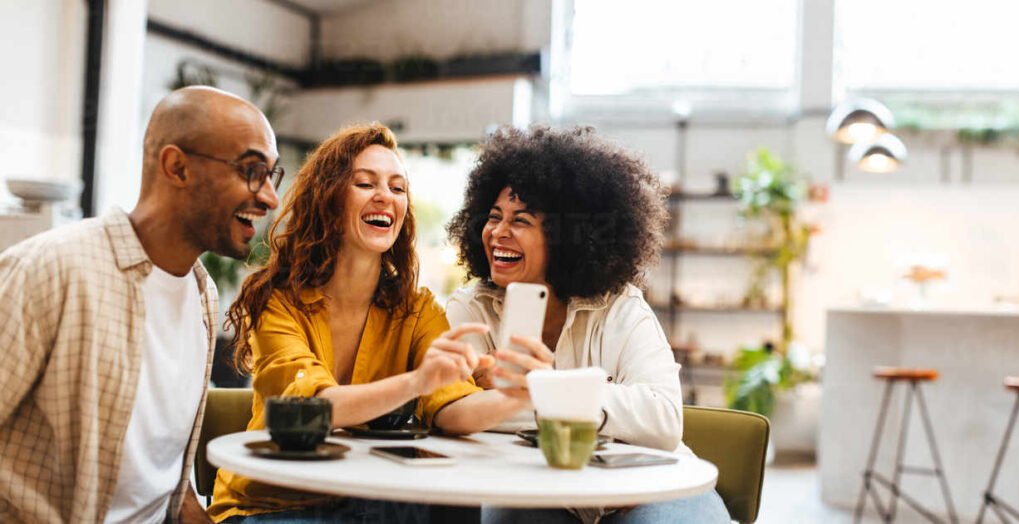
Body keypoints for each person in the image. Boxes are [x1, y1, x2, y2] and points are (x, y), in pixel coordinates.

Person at [209, 123, 527, 523]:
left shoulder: (417, 309)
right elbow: (312, 407)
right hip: (275, 504)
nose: (385, 197)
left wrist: (519, 395)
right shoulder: (279, 301)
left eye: (397, 188)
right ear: (328, 200)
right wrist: (417, 381)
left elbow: (453, 409)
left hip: (370, 501)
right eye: (365, 183)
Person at [0, 86, 282, 523]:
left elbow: (169, 488)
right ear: (177, 166)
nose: (269, 198)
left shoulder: (201, 296)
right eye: (250, 170)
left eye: (271, 176)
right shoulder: (52, 269)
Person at [445, 125, 732, 523]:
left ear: (565, 236)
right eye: (494, 217)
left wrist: (544, 391)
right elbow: (453, 411)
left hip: (645, 490)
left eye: (521, 220)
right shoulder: (471, 309)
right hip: (539, 494)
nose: (498, 233)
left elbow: (664, 420)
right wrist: (592, 407)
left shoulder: (620, 308)